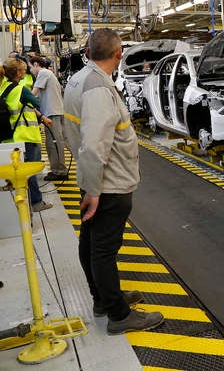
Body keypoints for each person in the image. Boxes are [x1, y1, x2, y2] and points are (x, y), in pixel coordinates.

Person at [63, 28, 164, 335]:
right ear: (118, 54)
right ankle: (118, 315)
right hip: (108, 184)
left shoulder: (80, 79)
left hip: (94, 178)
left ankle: (104, 299)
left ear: (89, 52)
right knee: (103, 249)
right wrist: (94, 190)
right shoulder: (98, 89)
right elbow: (94, 144)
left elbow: (76, 136)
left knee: (92, 242)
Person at [0, 58, 52, 212]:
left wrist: (42, 118)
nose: (26, 72)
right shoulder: (22, 89)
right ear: (18, 73)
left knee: (19, 172)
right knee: (30, 170)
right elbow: (36, 103)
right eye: (24, 70)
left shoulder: (3, 86)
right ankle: (37, 202)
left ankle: (23, 203)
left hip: (12, 136)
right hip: (26, 134)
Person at [29, 56, 68, 181]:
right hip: (51, 112)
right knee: (53, 143)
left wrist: (22, 96)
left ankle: (60, 171)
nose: (30, 71)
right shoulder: (46, 74)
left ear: (36, 64)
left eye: (30, 67)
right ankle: (57, 169)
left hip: (53, 113)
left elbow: (33, 94)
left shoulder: (44, 73)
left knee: (55, 143)